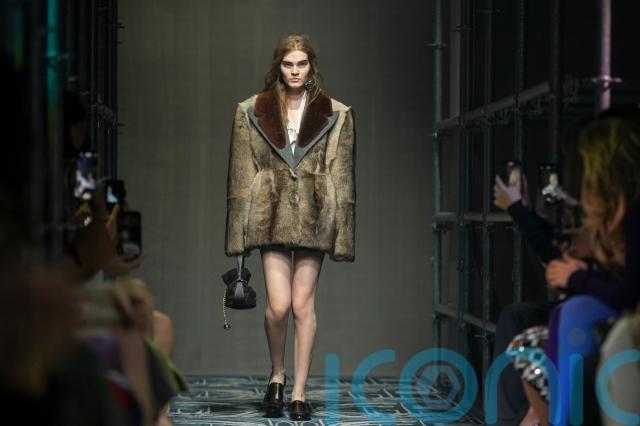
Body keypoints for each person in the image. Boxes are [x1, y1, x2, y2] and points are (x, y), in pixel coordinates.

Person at [224, 33, 356, 421]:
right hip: (270, 213)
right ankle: (277, 375)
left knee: (302, 305)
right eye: (288, 64)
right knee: (278, 307)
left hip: (316, 214)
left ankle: (298, 392)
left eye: (301, 64)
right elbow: (240, 174)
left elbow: (343, 177)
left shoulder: (337, 113)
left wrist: (342, 232)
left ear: (311, 66)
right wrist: (238, 234)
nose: (295, 71)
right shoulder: (252, 110)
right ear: (278, 67)